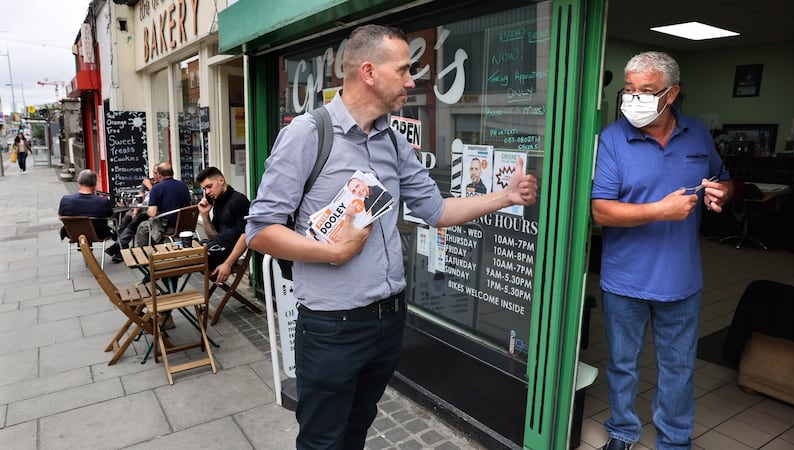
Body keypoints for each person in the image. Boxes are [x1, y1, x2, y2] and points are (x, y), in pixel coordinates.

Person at [246, 24, 538, 450]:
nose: (411, 80)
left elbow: (435, 211)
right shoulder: (308, 135)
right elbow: (260, 230)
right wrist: (332, 252)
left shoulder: (394, 141)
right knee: (322, 441)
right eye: (403, 70)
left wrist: (504, 196)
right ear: (368, 71)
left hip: (387, 323)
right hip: (332, 329)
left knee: (358, 429)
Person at [591, 51, 733, 450]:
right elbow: (600, 209)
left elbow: (723, 178)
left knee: (678, 368)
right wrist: (660, 210)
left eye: (646, 90)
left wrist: (722, 192)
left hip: (682, 280)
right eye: (628, 89)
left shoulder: (699, 135)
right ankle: (622, 431)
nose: (633, 98)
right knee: (623, 365)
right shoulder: (613, 139)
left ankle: (673, 441)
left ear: (672, 94)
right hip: (624, 280)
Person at [195, 167, 250, 285]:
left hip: (228, 257)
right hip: (216, 249)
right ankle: (162, 292)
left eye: (209, 186)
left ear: (221, 180)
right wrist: (204, 215)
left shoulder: (238, 200)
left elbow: (246, 235)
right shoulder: (219, 202)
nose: (207, 192)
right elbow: (213, 237)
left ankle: (161, 292)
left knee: (179, 262)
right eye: (204, 189)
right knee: (178, 257)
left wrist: (227, 264)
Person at [58, 169, 123, 262]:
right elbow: (111, 215)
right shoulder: (102, 201)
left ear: (78, 182)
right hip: (99, 233)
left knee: (82, 228)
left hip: (73, 234)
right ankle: (119, 251)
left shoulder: (65, 200)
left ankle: (85, 249)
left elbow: (61, 215)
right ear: (95, 183)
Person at [134, 162, 191, 246]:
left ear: (159, 175)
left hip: (168, 227)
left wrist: (148, 211)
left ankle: (143, 255)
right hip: (185, 225)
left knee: (143, 227)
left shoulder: (156, 188)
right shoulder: (183, 186)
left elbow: (152, 213)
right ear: (172, 173)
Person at [118, 164, 161, 249]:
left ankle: (118, 248)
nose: (155, 176)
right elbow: (140, 198)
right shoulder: (149, 181)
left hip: (151, 211)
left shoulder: (161, 185)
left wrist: (150, 187)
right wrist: (135, 210)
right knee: (127, 218)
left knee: (135, 221)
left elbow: (158, 198)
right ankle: (121, 247)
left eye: (156, 173)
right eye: (153, 173)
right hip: (142, 208)